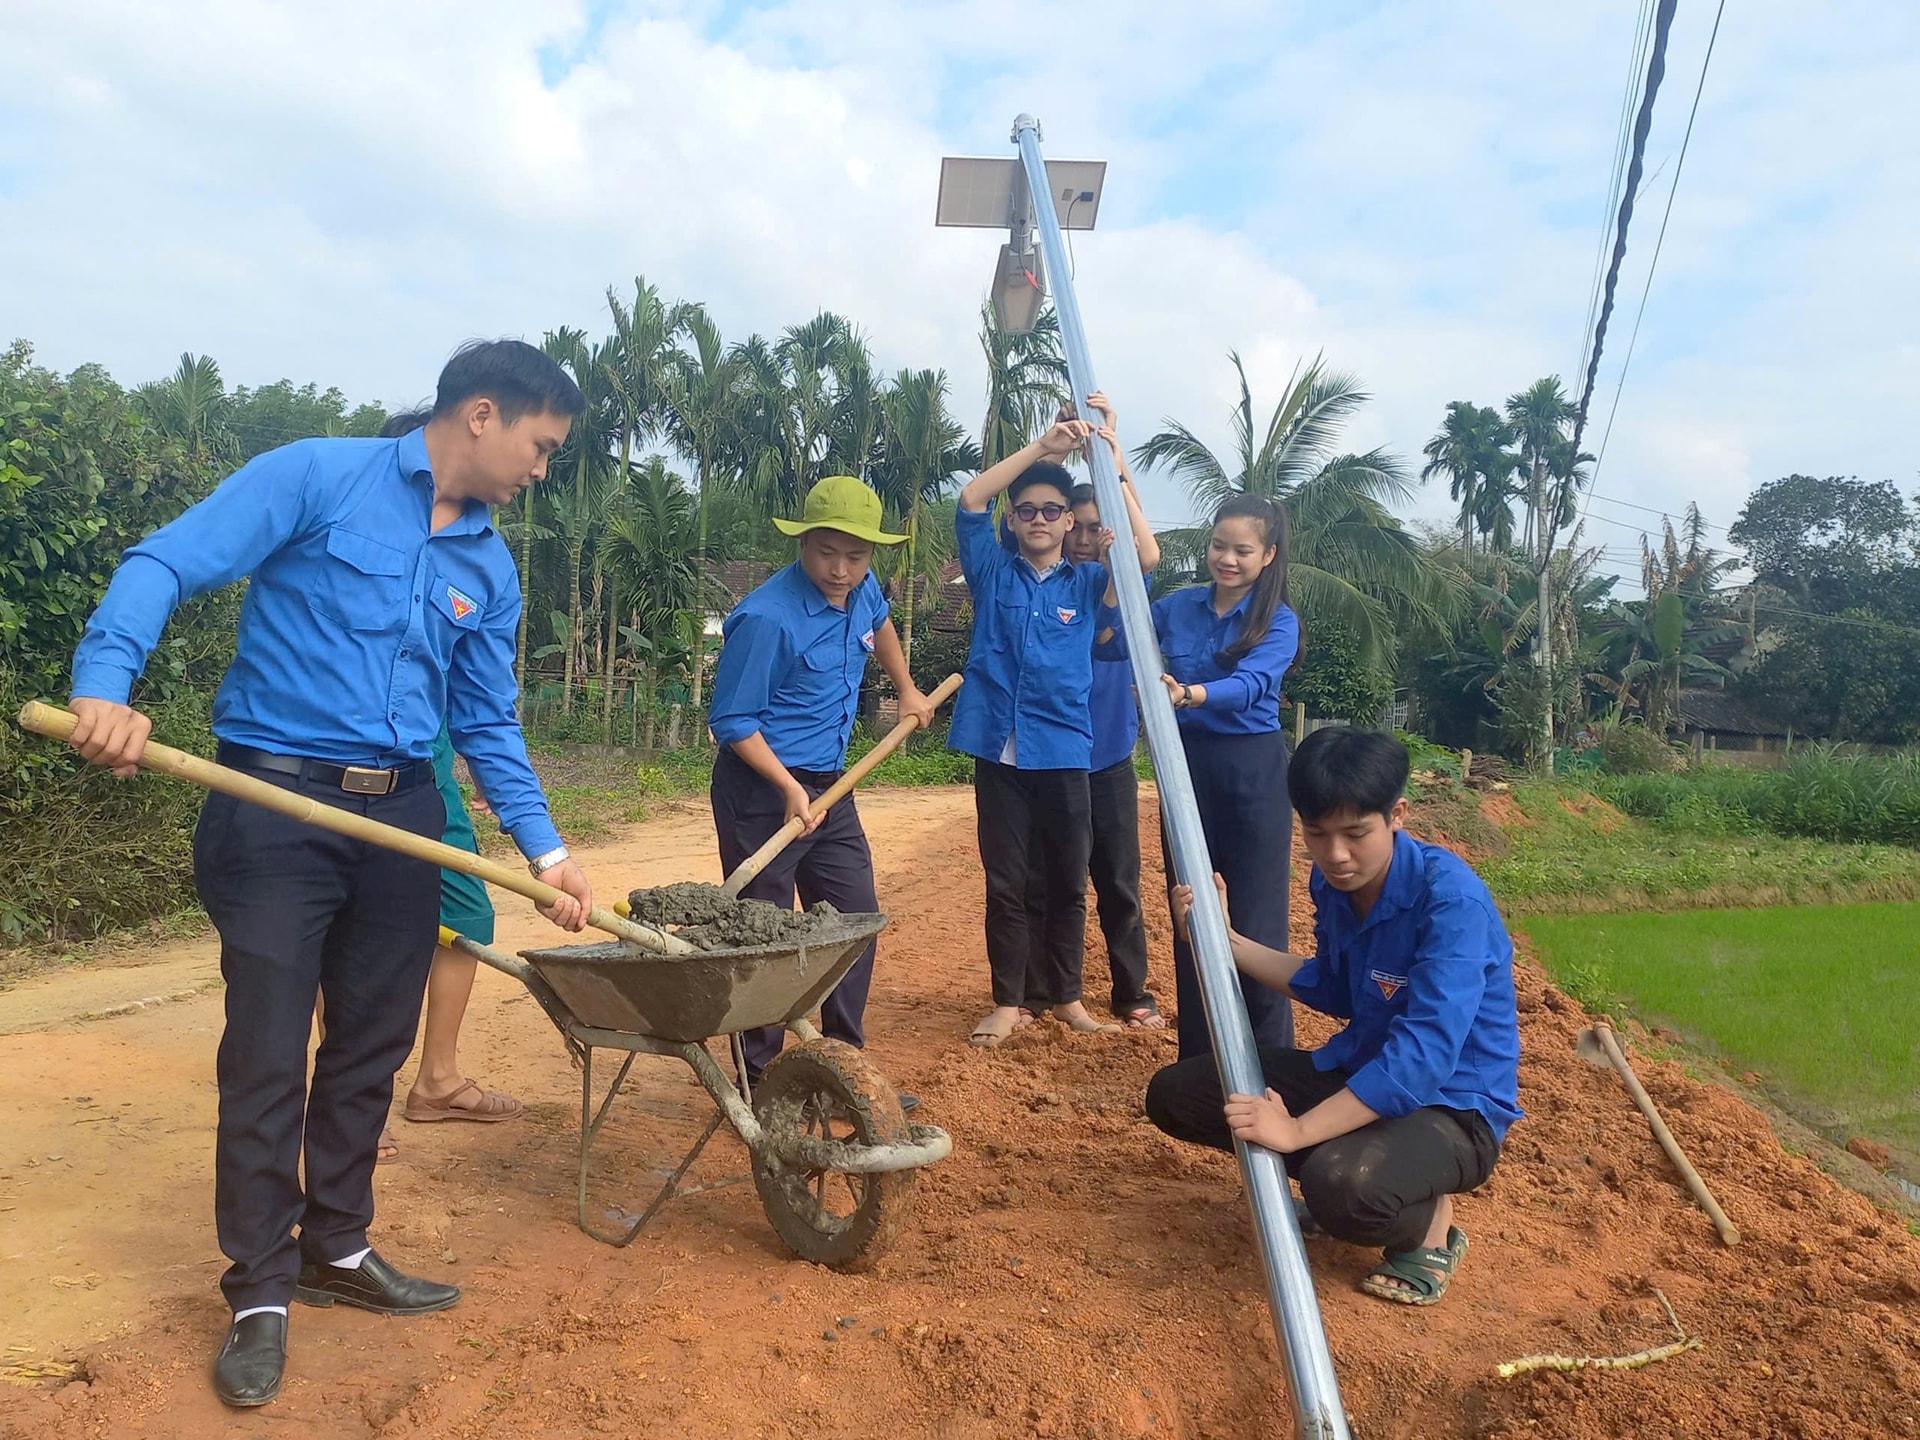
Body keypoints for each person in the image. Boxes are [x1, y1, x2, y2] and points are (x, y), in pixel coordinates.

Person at [64, 340, 597, 1408]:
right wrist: (105, 683)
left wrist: (548, 853)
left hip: (403, 814)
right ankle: (259, 1289)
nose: (544, 470)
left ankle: (336, 1247)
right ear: (484, 414)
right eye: (542, 447)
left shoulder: (489, 569)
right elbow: (163, 560)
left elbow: (487, 721)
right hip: (274, 806)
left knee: (370, 1044)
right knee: (268, 1051)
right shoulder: (317, 474)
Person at [1145, 727, 1521, 1307]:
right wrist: (1224, 941)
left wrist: (1295, 1131)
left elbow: (1422, 1058)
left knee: (1340, 1185)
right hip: (1362, 1071)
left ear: (1396, 814)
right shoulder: (1333, 882)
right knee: (1179, 1093)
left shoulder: (1451, 903)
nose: (1337, 855)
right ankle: (1362, 1173)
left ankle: (1429, 1223)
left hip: (1453, 1106)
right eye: (1317, 834)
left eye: (1355, 834)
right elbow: (1336, 986)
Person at [706, 475, 936, 1092]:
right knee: (767, 934)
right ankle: (763, 1081)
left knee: (853, 919)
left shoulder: (862, 594)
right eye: (826, 552)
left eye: (855, 557)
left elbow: (881, 624)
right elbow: (733, 721)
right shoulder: (767, 618)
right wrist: (786, 786)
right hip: (761, 789)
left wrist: (907, 686)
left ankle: (842, 1068)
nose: (840, 569)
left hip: (832, 785)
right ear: (803, 543)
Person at [948, 395, 1158, 1046]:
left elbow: (1146, 558)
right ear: (1017, 522)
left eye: (1052, 510)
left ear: (1071, 523)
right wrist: (1043, 447)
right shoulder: (990, 570)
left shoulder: (1086, 584)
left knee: (1069, 883)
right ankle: (1009, 1001)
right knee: (1007, 882)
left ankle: (1066, 998)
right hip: (999, 751)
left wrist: (1110, 455)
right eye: (1029, 510)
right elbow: (970, 500)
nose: (1039, 518)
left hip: (1065, 751)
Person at [1103, 493, 1299, 1060]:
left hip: (1252, 770)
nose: (1227, 559)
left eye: (1242, 550)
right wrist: (1118, 581)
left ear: (1268, 555)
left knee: (1255, 916)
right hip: (1184, 766)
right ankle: (1201, 1059)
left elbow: (1254, 686)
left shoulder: (1277, 621)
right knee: (1191, 906)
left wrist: (1187, 694)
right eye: (1219, 545)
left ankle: (1270, 1061)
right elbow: (1111, 641)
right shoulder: (1178, 606)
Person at [1024, 464, 1162, 1030]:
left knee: (1118, 881)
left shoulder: (1123, 587)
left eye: (1096, 527)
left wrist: (1114, 461)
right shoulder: (1043, 586)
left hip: (1107, 756)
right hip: (1051, 756)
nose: (1084, 537)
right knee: (1045, 879)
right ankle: (1038, 993)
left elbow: (1145, 550)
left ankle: (1131, 991)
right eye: (1075, 525)